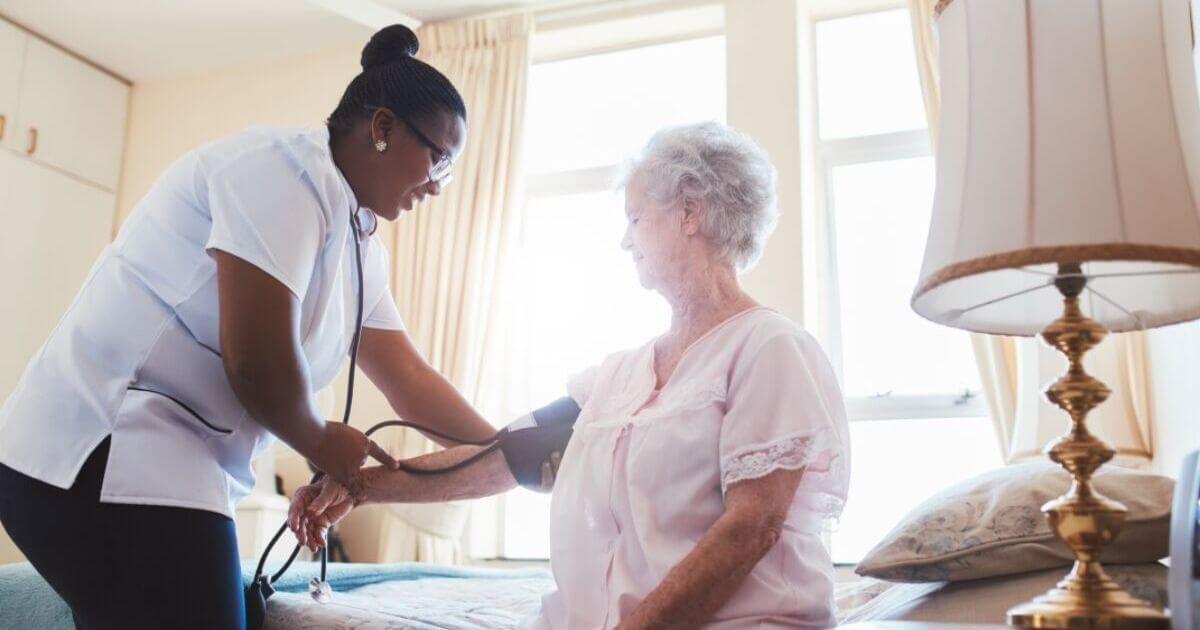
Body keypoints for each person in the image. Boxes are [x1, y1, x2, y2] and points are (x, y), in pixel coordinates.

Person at [0, 24, 496, 630]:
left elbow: (410, 380)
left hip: (176, 463)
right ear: (383, 128)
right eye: (439, 158)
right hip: (99, 448)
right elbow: (255, 362)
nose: (440, 186)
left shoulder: (361, 244)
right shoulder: (280, 172)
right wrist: (318, 440)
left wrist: (505, 450)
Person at [292, 122, 851, 628]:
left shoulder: (770, 347)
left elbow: (752, 527)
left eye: (635, 218)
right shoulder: (622, 375)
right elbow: (504, 456)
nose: (625, 240)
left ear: (690, 213)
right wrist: (358, 486)